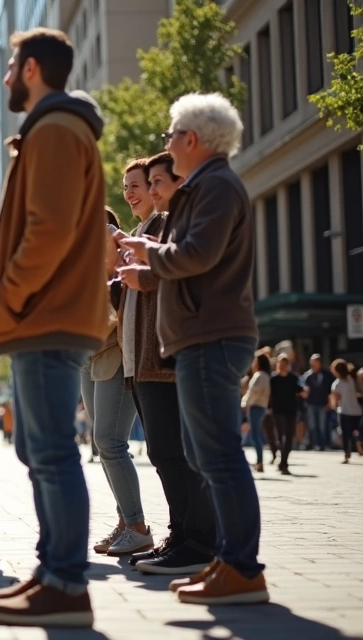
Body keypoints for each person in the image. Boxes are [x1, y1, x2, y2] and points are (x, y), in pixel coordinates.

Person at [0, 28, 107, 627]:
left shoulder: (54, 129)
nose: (5, 78)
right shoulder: (49, 129)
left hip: (45, 316)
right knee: (36, 446)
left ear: (31, 69)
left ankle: (68, 585)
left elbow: (47, 233)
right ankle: (54, 571)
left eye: (10, 67)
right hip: (41, 316)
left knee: (50, 450)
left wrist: (9, 296)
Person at [119, 92, 268, 605]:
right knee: (210, 457)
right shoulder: (206, 186)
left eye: (169, 135)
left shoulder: (216, 185)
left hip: (211, 336)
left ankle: (242, 568)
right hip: (201, 337)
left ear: (191, 139)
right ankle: (230, 562)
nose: (166, 145)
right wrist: (149, 262)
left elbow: (198, 254)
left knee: (218, 457)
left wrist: (150, 256)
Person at [120, 152, 216, 576]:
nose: (150, 190)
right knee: (164, 452)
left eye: (156, 181)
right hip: (145, 357)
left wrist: (144, 272)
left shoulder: (180, 220)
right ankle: (182, 534)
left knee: (178, 453)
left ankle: (199, 542)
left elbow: (183, 271)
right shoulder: (157, 224)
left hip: (168, 355)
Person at [85, 208, 149, 558]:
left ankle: (137, 526)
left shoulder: (116, 251)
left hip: (114, 352)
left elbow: (117, 308)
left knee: (110, 441)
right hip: (89, 357)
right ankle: (126, 522)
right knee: (104, 444)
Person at [269, 354, 301, 475]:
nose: (281, 366)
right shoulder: (273, 379)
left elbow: (300, 390)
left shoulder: (293, 378)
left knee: (289, 438)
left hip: (291, 411)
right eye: (279, 363)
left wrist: (304, 391)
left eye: (284, 364)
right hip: (277, 411)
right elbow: (269, 395)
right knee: (281, 437)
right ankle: (283, 464)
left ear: (287, 365)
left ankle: (284, 461)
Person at [241, 354, 272, 472]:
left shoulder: (259, 376)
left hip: (256, 407)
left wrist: (245, 404)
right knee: (256, 434)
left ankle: (259, 461)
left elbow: (253, 392)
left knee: (255, 435)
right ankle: (259, 461)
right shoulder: (265, 376)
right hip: (261, 406)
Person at [330, 359, 360, 463]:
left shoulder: (336, 384)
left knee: (345, 434)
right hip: (357, 411)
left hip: (344, 411)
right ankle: (359, 442)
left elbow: (335, 401)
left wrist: (333, 407)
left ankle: (347, 453)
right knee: (357, 431)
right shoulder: (353, 379)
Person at [303, 355, 332, 452]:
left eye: (315, 363)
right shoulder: (307, 376)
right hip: (311, 403)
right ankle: (311, 443)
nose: (313, 365)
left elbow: (329, 390)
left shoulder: (327, 375)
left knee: (322, 426)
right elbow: (304, 389)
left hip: (322, 403)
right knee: (312, 425)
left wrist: (329, 403)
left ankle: (322, 444)